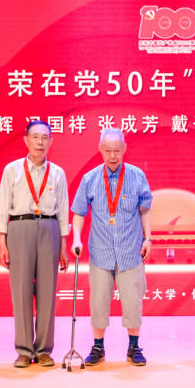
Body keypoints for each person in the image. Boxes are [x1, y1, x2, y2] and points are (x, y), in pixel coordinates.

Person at [70, 128, 152, 367]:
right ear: (100, 149)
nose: (112, 155)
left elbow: (145, 210)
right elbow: (79, 212)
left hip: (130, 250)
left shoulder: (137, 176)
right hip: (101, 251)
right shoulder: (90, 179)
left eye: (117, 150)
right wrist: (76, 238)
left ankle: (134, 346)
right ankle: (98, 346)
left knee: (133, 300)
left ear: (124, 149)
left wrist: (148, 238)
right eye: (108, 150)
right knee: (98, 301)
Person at [0, 120, 69, 368]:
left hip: (49, 227)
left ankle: (45, 350)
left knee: (47, 291)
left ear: (51, 142)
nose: (40, 142)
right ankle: (24, 350)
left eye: (44, 137)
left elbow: (63, 210)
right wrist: (2, 241)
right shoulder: (12, 170)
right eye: (35, 137)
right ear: (26, 140)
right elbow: (3, 206)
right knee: (21, 290)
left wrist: (63, 244)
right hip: (20, 227)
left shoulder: (57, 173)